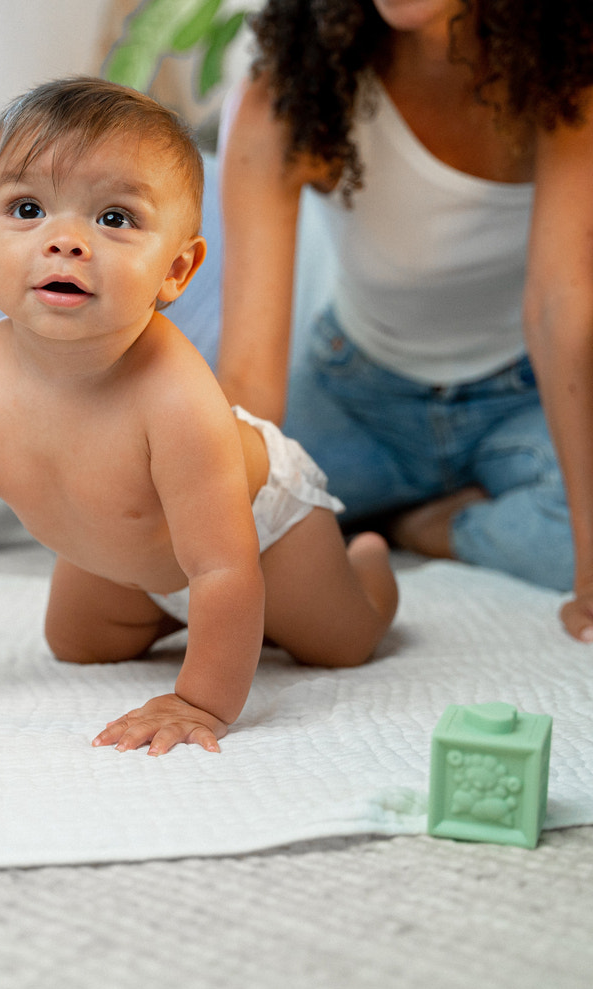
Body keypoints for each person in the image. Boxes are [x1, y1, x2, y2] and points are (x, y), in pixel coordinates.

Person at [0, 77, 397, 755]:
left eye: (114, 218)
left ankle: (369, 564)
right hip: (126, 556)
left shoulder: (177, 397)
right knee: (78, 645)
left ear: (176, 271)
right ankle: (175, 614)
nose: (65, 241)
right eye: (27, 208)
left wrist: (198, 700)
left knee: (343, 643)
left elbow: (221, 569)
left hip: (259, 535)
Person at [217, 0, 593, 640]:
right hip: (356, 395)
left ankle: (422, 526)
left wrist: (590, 576)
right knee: (214, 507)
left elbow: (561, 309)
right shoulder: (289, 90)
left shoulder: (567, 74)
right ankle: (403, 515)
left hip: (522, 396)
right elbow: (248, 381)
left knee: (576, 535)